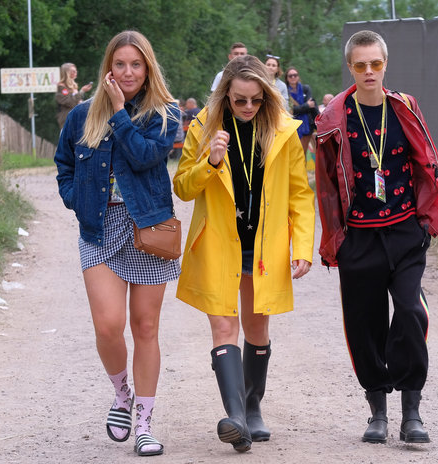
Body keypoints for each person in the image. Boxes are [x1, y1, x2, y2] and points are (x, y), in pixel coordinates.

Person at [314, 30, 438, 445]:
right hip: (360, 237)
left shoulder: (405, 107)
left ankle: (412, 410)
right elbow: (325, 185)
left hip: (406, 232)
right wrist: (334, 238)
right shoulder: (333, 119)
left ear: (385, 64)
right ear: (350, 67)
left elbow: (427, 160)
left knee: (411, 311)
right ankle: (377, 411)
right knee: (364, 324)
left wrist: (427, 221)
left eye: (375, 63)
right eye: (360, 65)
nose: (369, 71)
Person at [173, 55, 315, 453]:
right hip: (219, 242)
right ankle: (235, 418)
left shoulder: (284, 132)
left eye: (255, 100)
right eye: (239, 101)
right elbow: (182, 187)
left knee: (257, 330)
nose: (248, 107)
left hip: (264, 245)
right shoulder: (203, 127)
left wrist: (302, 246)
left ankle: (252, 408)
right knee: (223, 329)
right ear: (226, 97)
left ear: (266, 97)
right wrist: (210, 161)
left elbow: (300, 195)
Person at [54, 30, 181, 457]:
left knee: (145, 327)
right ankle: (121, 394)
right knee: (108, 325)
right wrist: (77, 201)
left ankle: (144, 422)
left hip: (147, 229)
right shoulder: (82, 114)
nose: (127, 72)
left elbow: (146, 156)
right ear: (109, 65)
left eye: (136, 64)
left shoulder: (165, 113)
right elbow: (64, 164)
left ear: (148, 68)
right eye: (120, 63)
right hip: (99, 227)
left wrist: (120, 113)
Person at [284, 66, 316, 155]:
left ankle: (302, 169)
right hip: (291, 127)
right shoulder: (285, 91)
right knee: (293, 154)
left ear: (298, 77)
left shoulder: (306, 89)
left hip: (307, 126)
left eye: (295, 75)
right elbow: (289, 111)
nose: (293, 77)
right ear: (287, 78)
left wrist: (300, 108)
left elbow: (311, 105)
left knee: (302, 154)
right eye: (290, 76)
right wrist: (305, 106)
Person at [55, 62, 93, 128]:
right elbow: (70, 102)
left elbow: (77, 101)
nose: (76, 72)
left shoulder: (73, 86)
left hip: (77, 118)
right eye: (73, 71)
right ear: (66, 73)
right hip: (67, 120)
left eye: (76, 70)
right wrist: (82, 91)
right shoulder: (61, 87)